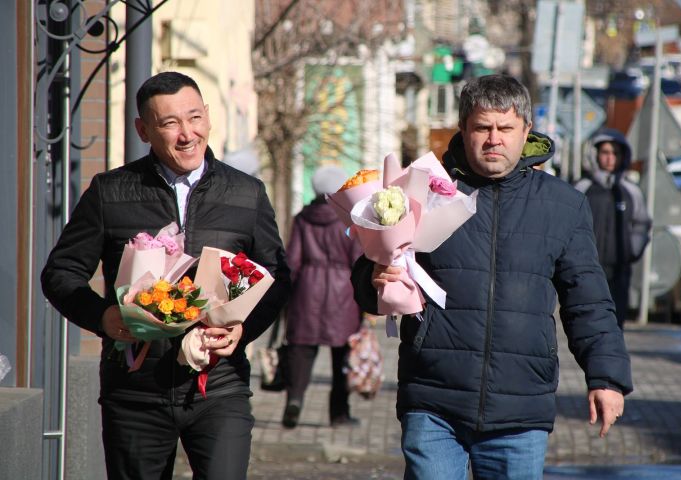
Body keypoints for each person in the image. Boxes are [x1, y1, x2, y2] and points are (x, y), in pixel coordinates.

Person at [351, 74, 633, 479]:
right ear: (463, 129)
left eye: (505, 128)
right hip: (433, 398)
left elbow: (588, 301)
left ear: (527, 130)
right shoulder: (422, 192)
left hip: (520, 408)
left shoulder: (563, 205)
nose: (493, 139)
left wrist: (606, 377)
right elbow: (369, 277)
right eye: (482, 127)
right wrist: (375, 277)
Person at [41, 71, 291, 480]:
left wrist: (243, 331)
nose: (187, 134)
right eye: (170, 123)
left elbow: (278, 277)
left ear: (207, 116)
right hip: (135, 393)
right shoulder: (109, 192)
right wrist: (103, 317)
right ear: (143, 130)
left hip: (219, 386)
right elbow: (61, 273)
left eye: (194, 118)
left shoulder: (247, 193)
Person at [281, 165, 364, 428]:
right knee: (342, 357)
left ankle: (294, 400)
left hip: (307, 292)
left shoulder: (302, 218)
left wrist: (285, 297)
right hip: (344, 295)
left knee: (301, 351)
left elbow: (292, 261)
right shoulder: (350, 219)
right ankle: (339, 414)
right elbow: (357, 260)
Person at [575, 129, 651, 329]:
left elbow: (642, 223)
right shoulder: (582, 188)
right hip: (585, 271)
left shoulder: (630, 191)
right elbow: (566, 223)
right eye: (605, 152)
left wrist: (631, 250)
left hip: (619, 274)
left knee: (614, 327)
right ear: (596, 154)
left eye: (615, 153)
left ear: (623, 156)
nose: (610, 158)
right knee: (586, 326)